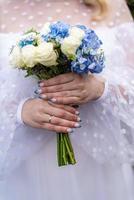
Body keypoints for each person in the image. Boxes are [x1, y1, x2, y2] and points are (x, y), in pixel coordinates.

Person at [0, 0, 134, 200]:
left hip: (98, 166)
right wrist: (18, 110)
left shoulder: (111, 5)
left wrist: (102, 88)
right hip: (26, 167)